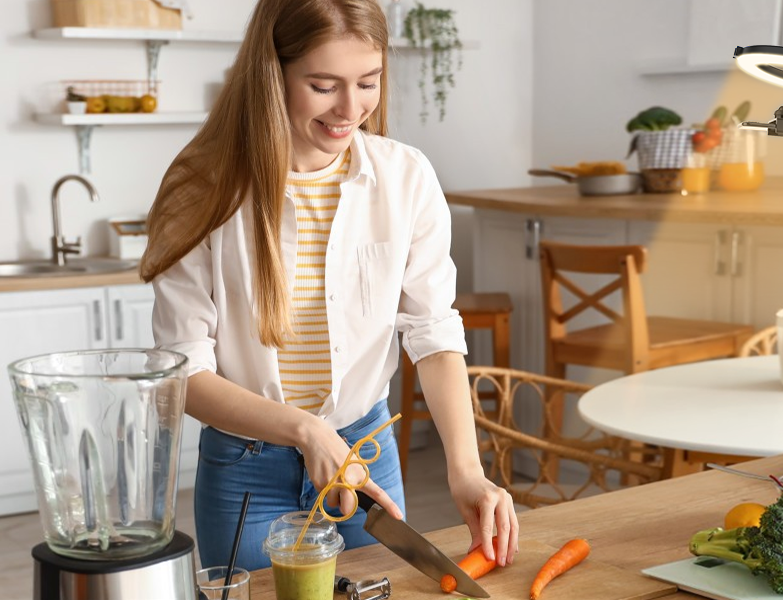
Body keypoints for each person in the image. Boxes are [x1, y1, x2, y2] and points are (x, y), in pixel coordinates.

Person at [140, 0, 518, 573]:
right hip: (247, 470)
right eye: (323, 85)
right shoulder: (201, 186)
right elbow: (184, 374)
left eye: (368, 82)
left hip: (365, 460)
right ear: (272, 75)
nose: (351, 108)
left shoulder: (406, 177)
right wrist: (306, 430)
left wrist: (466, 470)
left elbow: (433, 332)